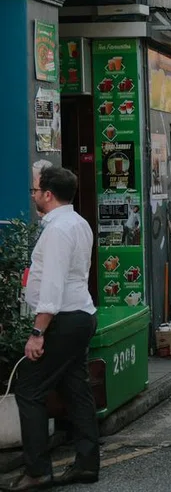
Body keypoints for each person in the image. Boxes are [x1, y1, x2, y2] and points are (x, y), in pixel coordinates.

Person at [13, 167, 99, 491]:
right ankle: (87, 465)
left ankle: (37, 471)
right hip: (79, 315)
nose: (33, 195)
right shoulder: (77, 223)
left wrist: (37, 333)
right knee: (76, 389)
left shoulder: (58, 230)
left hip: (64, 318)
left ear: (48, 194)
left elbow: (52, 284)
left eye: (35, 190)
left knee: (29, 389)